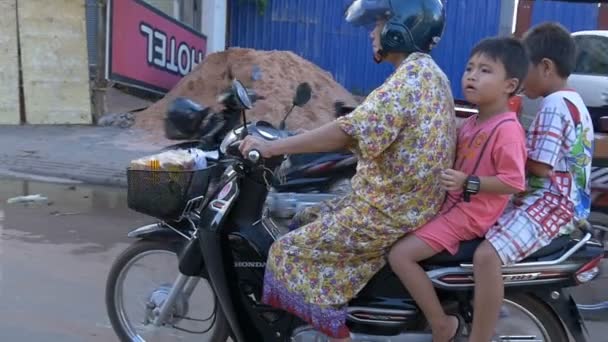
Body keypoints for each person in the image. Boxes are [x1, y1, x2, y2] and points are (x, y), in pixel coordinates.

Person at [239, 0, 454, 340]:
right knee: (302, 218)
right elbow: (360, 126)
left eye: (379, 23)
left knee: (286, 253)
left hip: (389, 211)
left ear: (402, 26)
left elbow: (347, 132)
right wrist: (296, 137)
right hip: (400, 202)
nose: (372, 32)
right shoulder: (426, 75)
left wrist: (273, 146)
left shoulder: (410, 82)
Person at [388, 36, 530, 342]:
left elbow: (514, 181)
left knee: (400, 255)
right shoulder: (473, 122)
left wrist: (470, 182)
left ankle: (441, 323)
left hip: (469, 215)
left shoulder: (507, 130)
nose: (472, 75)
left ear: (510, 85)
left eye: (485, 70)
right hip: (452, 205)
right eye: (469, 68)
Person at [469, 22, 594, 342]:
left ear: (546, 67)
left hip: (551, 204)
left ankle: (480, 334)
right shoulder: (575, 102)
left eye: (525, 70)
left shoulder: (553, 106)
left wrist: (505, 149)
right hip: (562, 201)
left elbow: (539, 166)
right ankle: (490, 301)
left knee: (486, 255)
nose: (521, 79)